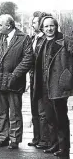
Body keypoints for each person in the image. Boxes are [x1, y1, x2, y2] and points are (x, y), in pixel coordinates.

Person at [0, 14, 33, 149]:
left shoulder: (23, 38)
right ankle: (3, 137)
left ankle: (14, 139)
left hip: (14, 83)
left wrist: (14, 75)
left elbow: (28, 59)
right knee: (2, 113)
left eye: (0, 25)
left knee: (15, 113)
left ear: (9, 25)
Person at [33, 16, 73, 157]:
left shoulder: (65, 41)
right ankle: (53, 144)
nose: (49, 29)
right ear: (42, 29)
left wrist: (68, 74)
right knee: (50, 117)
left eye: (52, 26)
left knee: (61, 117)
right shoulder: (42, 42)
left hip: (58, 86)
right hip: (44, 86)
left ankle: (64, 148)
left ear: (56, 27)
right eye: (46, 27)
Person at [28, 11, 51, 149]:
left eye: (35, 22)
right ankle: (37, 137)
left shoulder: (44, 40)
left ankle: (44, 139)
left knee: (42, 110)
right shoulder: (34, 38)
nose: (32, 24)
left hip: (41, 79)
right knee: (34, 108)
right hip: (33, 77)